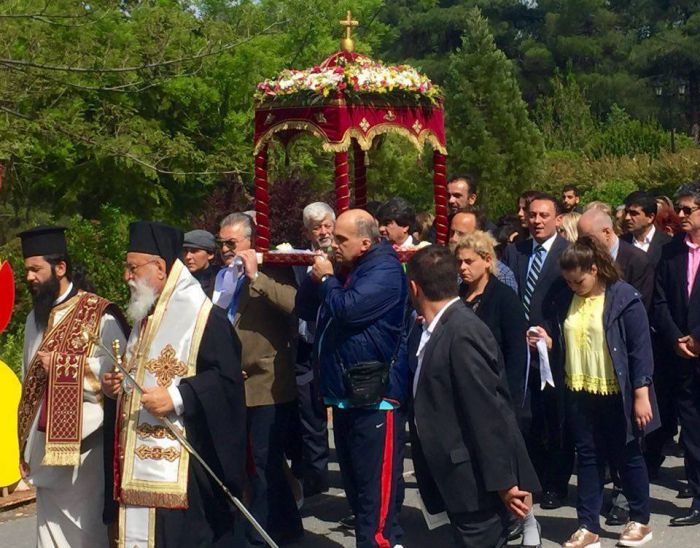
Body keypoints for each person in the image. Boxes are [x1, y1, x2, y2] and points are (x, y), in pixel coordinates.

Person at [101, 221, 246, 547]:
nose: (127, 276)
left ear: (161, 269)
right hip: (137, 467)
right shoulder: (145, 314)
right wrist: (118, 388)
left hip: (183, 470)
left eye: (132, 268)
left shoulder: (204, 318)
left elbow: (228, 381)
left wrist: (179, 396)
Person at [406, 245, 540, 547]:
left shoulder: (462, 332)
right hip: (453, 479)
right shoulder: (436, 327)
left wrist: (506, 483)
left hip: (475, 483)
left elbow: (487, 413)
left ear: (414, 287)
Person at [531, 236, 657, 548]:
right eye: (569, 281)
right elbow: (566, 340)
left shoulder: (624, 297)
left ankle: (640, 519)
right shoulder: (565, 298)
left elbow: (640, 350)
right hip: (578, 387)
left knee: (626, 454)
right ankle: (588, 525)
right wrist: (548, 343)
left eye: (579, 280)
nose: (574, 286)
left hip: (617, 390)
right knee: (587, 457)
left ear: (596, 268)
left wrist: (641, 393)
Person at [296, 209, 408, 548]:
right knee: (357, 486)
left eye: (341, 239)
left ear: (365, 241)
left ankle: (379, 542)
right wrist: (317, 279)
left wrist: (328, 279)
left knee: (376, 489)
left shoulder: (384, 269)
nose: (334, 244)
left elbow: (349, 309)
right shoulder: (349, 269)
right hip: (345, 392)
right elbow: (305, 310)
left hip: (376, 394)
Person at [17, 226, 128, 548]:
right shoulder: (31, 320)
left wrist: (66, 368)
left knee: (85, 533)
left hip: (86, 451)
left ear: (60, 268)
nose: (29, 277)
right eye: (27, 270)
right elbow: (29, 385)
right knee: (47, 530)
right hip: (42, 447)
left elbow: (118, 377)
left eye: (35, 269)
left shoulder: (99, 316)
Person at [213, 212, 303, 544]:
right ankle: (288, 526)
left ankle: (261, 536)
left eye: (231, 242)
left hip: (267, 385)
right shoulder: (222, 276)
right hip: (235, 384)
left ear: (251, 243)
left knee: (266, 465)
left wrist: (256, 278)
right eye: (220, 242)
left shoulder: (271, 271)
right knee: (254, 466)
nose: (224, 248)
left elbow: (295, 304)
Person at [502, 192, 572, 510]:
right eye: (532, 214)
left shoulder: (566, 254)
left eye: (544, 215)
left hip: (554, 352)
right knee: (526, 418)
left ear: (558, 219)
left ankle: (557, 484)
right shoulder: (515, 251)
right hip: (520, 351)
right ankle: (534, 478)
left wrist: (554, 340)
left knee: (555, 420)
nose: (537, 221)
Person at [654, 182, 700, 526]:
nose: (679, 215)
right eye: (679, 210)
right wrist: (675, 337)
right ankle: (698, 500)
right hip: (681, 356)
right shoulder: (670, 253)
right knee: (693, 432)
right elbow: (660, 300)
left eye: (687, 210)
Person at [455, 232, 529, 424]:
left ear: (487, 260)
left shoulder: (504, 298)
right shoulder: (457, 295)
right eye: (459, 262)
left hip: (493, 391)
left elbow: (516, 353)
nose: (462, 268)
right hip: (460, 388)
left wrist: (508, 399)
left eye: (469, 261)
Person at [289, 202, 334, 497]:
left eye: (327, 225)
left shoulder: (344, 259)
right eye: (316, 227)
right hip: (303, 348)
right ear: (307, 231)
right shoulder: (293, 260)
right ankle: (312, 479)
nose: (323, 232)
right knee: (308, 414)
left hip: (331, 346)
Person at [578, 208, 654, 311]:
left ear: (607, 233)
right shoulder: (583, 258)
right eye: (580, 239)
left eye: (587, 239)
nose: (582, 244)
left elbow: (639, 306)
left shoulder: (638, 261)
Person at [449, 208, 518, 292]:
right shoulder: (446, 267)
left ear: (478, 235)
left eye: (461, 234)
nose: (453, 239)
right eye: (452, 233)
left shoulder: (501, 275)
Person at [622, 191, 672, 267]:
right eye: (626, 212)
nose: (627, 218)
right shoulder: (621, 243)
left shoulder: (668, 244)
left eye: (634, 213)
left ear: (650, 217)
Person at [182, 229, 219, 298]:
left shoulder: (221, 280)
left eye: (194, 251)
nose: (188, 257)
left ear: (210, 254)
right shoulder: (179, 280)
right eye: (185, 251)